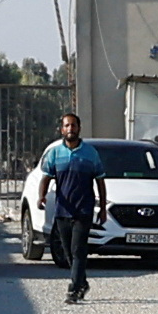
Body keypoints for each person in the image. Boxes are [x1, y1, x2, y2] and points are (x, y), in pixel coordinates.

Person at [40, 111, 103, 303]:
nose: (70, 129)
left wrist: (103, 209)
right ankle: (82, 281)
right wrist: (41, 196)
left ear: (79, 128)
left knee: (78, 250)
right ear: (62, 129)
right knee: (67, 251)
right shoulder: (55, 153)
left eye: (73, 125)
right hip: (62, 210)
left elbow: (100, 180)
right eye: (67, 126)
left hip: (83, 209)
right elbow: (46, 177)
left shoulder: (90, 153)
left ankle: (74, 289)